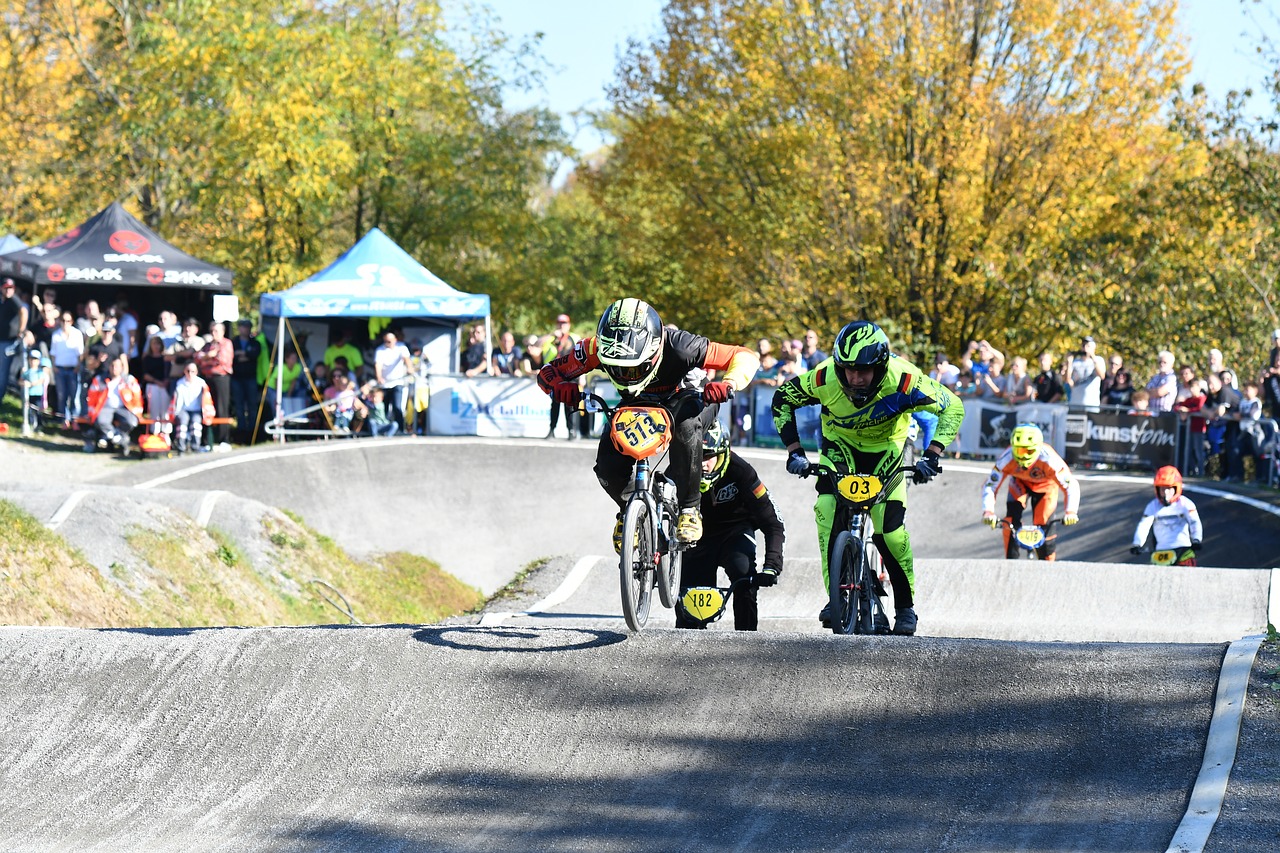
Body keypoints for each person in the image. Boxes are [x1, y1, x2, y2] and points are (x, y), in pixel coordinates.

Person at [772, 321, 963, 636]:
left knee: (891, 533)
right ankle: (837, 596)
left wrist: (933, 454)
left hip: (886, 450)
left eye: (863, 371)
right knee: (827, 511)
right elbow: (783, 398)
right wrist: (795, 451)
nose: (854, 379)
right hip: (839, 447)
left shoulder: (905, 380)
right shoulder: (824, 377)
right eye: (847, 370)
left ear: (882, 365)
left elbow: (952, 407)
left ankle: (905, 606)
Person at [537, 298, 759, 548]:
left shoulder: (682, 346)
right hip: (637, 403)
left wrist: (728, 383)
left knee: (686, 428)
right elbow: (547, 372)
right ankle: (630, 508)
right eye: (617, 369)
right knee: (608, 464)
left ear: (654, 352)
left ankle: (690, 509)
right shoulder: (595, 347)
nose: (626, 375)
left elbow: (744, 355)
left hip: (686, 396)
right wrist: (559, 387)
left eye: (634, 368)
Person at [675, 421, 785, 631]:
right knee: (688, 602)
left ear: (723, 453)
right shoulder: (678, 470)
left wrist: (772, 565)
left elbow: (773, 523)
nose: (703, 463)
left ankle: (746, 639)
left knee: (744, 578)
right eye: (697, 454)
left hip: (735, 532)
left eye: (708, 456)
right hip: (695, 537)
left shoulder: (742, 471)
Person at [980, 423, 1080, 561]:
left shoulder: (1050, 459)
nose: (1024, 456)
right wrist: (988, 511)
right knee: (1009, 523)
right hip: (1020, 483)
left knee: (1044, 524)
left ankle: (1048, 566)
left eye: (1029, 451)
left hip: (1046, 487)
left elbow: (1071, 486)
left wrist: (1071, 512)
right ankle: (1011, 563)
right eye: (1019, 451)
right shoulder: (1006, 458)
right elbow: (990, 485)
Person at [1130, 466, 1203, 566]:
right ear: (1157, 489)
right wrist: (1137, 543)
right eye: (1162, 489)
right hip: (1161, 553)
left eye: (1168, 489)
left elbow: (1194, 522)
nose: (1165, 493)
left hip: (1183, 550)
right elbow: (1144, 525)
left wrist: (1196, 539)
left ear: (1176, 488)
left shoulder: (1186, 504)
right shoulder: (1152, 506)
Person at [84, 355, 143, 455]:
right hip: (105, 407)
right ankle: (118, 436)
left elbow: (137, 398)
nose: (114, 368)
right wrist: (91, 413)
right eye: (112, 366)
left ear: (121, 368)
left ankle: (112, 436)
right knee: (100, 421)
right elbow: (92, 397)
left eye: (117, 366)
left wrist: (138, 414)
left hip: (123, 408)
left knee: (131, 422)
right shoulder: (100, 379)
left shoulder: (129, 380)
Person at [196, 320, 233, 449]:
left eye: (216, 331)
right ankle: (206, 441)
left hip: (221, 379)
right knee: (206, 408)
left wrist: (207, 358)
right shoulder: (207, 345)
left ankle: (224, 440)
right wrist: (209, 356)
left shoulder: (226, 344)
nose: (214, 333)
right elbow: (198, 358)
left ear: (222, 332)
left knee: (222, 408)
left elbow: (222, 360)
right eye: (212, 331)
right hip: (207, 379)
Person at [169, 362, 216, 453]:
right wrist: (176, 413)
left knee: (196, 424)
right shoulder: (180, 383)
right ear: (184, 371)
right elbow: (178, 400)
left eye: (193, 371)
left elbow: (206, 399)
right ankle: (181, 447)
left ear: (196, 372)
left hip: (196, 410)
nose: (190, 374)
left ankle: (195, 447)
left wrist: (206, 413)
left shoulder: (201, 383)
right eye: (188, 371)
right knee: (182, 423)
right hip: (184, 409)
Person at [49, 310, 85, 426]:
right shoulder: (56, 335)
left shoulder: (77, 334)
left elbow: (81, 353)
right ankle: (64, 419)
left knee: (74, 396)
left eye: (68, 320)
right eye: (63, 320)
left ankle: (74, 419)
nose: (65, 323)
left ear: (72, 321)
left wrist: (78, 366)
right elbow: (53, 353)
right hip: (60, 369)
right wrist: (54, 366)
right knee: (61, 395)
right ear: (60, 321)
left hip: (73, 369)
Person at [230, 319, 262, 443]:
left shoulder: (255, 343)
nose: (245, 329)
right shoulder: (234, 342)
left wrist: (243, 354)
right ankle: (241, 431)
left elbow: (254, 355)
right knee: (239, 406)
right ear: (239, 328)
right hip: (237, 378)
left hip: (250, 378)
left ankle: (252, 431)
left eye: (247, 327)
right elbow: (233, 357)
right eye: (243, 327)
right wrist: (246, 355)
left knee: (252, 405)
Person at [373, 330, 414, 425]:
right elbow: (378, 364)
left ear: (395, 340)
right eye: (385, 341)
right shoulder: (380, 350)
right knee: (385, 407)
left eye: (389, 341)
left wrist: (410, 368)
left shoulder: (401, 347)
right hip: (385, 383)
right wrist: (379, 377)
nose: (387, 343)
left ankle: (400, 428)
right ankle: (385, 427)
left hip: (397, 382)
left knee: (397, 407)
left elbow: (406, 359)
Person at [0, 278, 28, 403]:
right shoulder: (4, 301)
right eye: (6, 287)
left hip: (9, 342)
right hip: (3, 340)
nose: (8, 290)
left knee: (3, 372)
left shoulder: (13, 299)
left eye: (10, 288)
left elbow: (23, 311)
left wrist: (21, 330)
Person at [1063, 336, 1105, 409]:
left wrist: (1093, 357)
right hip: (1075, 404)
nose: (1085, 348)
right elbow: (1067, 380)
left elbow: (1102, 376)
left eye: (1088, 346)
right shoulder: (1075, 362)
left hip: (1091, 405)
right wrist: (1069, 363)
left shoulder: (1099, 360)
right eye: (1083, 345)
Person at [139, 335, 171, 421]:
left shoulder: (166, 358)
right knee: (154, 409)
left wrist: (165, 381)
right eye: (154, 344)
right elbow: (145, 375)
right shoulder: (147, 359)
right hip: (152, 385)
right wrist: (157, 382)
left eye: (158, 344)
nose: (156, 346)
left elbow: (169, 372)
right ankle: (155, 430)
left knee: (165, 409)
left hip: (164, 386)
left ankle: (165, 431)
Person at [20, 350, 47, 434]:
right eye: (31, 359)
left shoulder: (40, 372)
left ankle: (39, 426)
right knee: (30, 411)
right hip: (29, 395)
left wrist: (31, 384)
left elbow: (41, 381)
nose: (33, 361)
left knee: (38, 411)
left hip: (38, 394)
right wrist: (24, 382)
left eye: (35, 359)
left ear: (38, 361)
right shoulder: (26, 372)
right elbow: (20, 381)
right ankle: (31, 425)